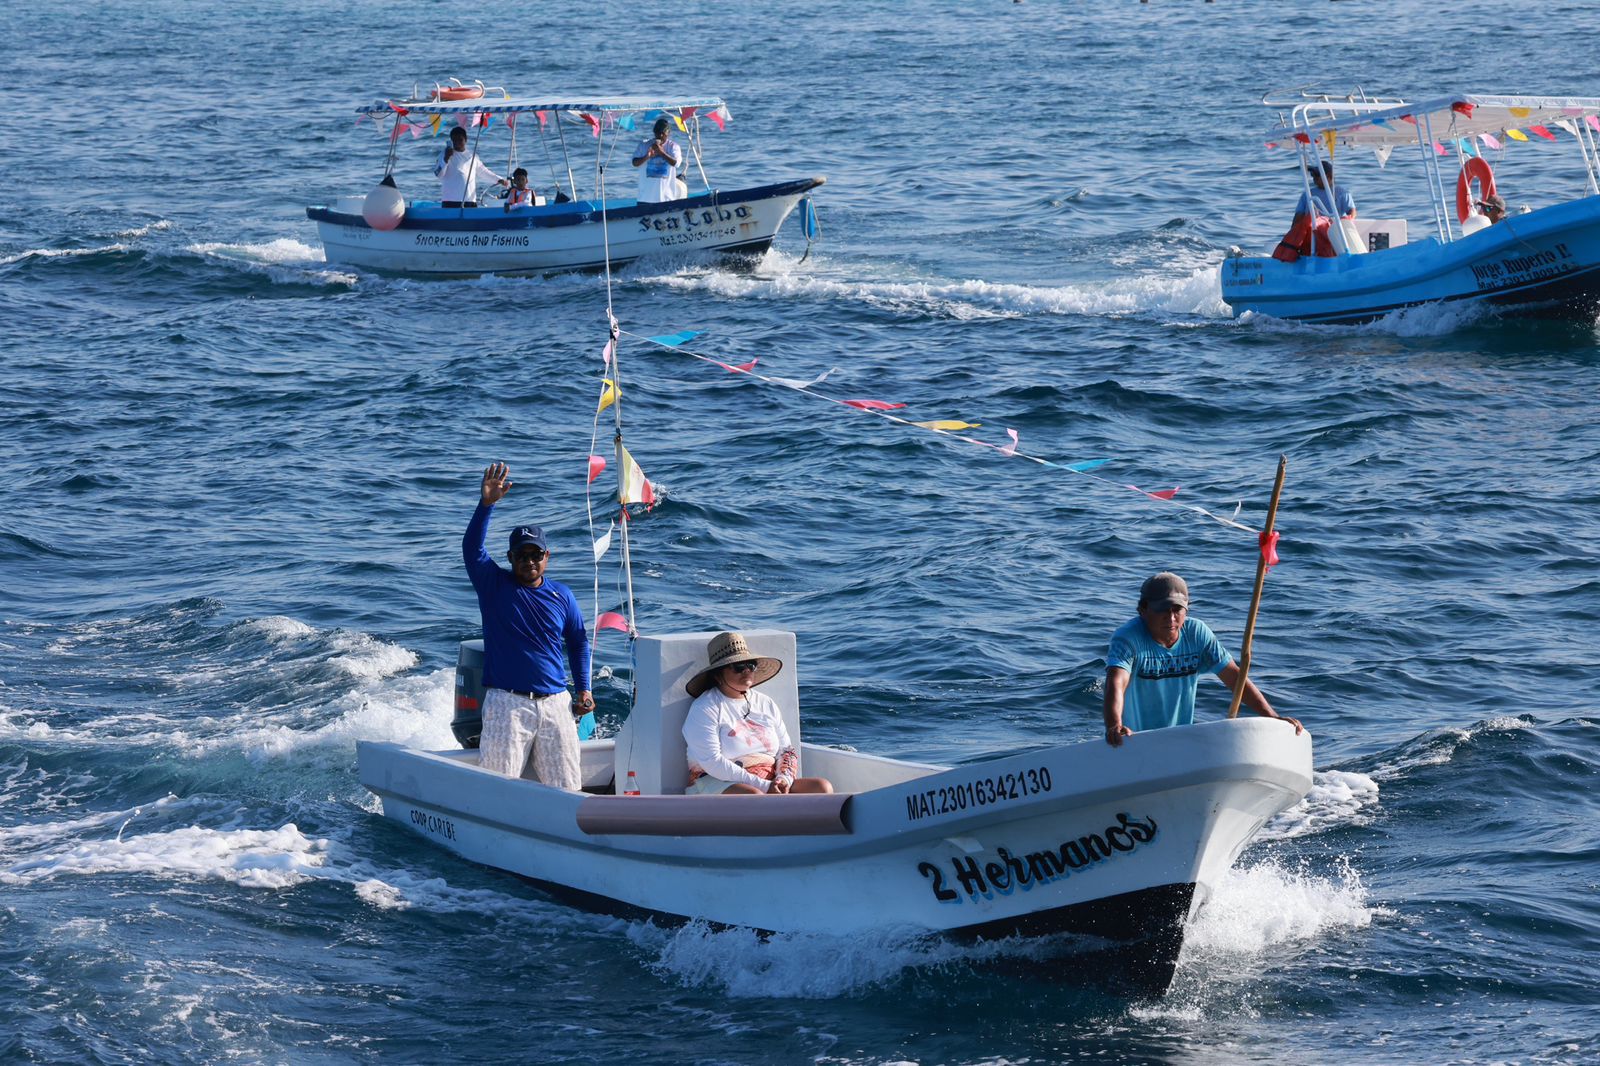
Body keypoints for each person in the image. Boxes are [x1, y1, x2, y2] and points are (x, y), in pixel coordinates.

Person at [463, 462, 594, 788]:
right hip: (507, 706)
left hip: (556, 705)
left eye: (536, 554)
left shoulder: (562, 595)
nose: (529, 561)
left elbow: (578, 641)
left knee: (568, 790)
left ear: (547, 557)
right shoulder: (493, 585)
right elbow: (471, 549)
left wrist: (584, 689)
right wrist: (486, 505)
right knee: (498, 791)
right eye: (522, 555)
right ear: (510, 558)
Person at [1102, 572, 1302, 747]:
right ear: (1143, 610)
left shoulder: (1197, 634)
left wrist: (1272, 717)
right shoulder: (1127, 638)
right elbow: (1116, 683)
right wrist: (1114, 725)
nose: (1171, 618)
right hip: (1134, 740)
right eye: (1162, 609)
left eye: (1177, 609)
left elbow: (1234, 678)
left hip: (1180, 739)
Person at [681, 632, 834, 795]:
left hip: (767, 780)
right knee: (754, 796)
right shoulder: (705, 708)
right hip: (717, 780)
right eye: (738, 667)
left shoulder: (766, 703)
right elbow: (712, 762)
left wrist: (784, 779)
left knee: (821, 787)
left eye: (751, 665)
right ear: (718, 675)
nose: (746, 671)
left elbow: (786, 749)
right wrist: (764, 786)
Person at [1272, 161, 1357, 261]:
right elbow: (1298, 217)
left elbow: (1352, 212)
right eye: (1312, 175)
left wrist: (1345, 222)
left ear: (1329, 176)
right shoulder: (1307, 194)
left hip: (1333, 235)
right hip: (1311, 235)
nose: (1314, 178)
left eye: (1317, 175)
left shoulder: (1342, 193)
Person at [435, 126, 507, 208]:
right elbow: (438, 174)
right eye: (454, 140)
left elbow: (483, 172)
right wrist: (446, 159)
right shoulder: (444, 154)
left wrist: (498, 179)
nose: (457, 142)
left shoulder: (472, 156)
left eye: (460, 139)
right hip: (450, 201)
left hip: (469, 201)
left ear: (466, 140)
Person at [632, 117, 684, 204]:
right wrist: (647, 157)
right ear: (654, 132)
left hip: (666, 198)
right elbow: (634, 163)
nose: (660, 136)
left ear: (668, 134)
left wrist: (662, 153)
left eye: (663, 134)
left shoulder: (673, 147)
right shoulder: (644, 145)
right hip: (645, 198)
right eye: (658, 133)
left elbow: (676, 163)